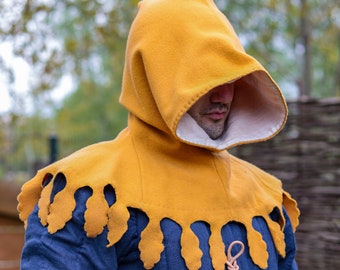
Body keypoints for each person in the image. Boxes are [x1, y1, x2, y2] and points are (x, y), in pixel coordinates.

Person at [17, 0, 300, 269]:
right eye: (203, 77)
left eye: (230, 76)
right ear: (153, 75)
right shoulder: (88, 196)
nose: (224, 94)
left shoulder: (265, 200)